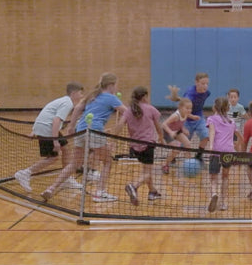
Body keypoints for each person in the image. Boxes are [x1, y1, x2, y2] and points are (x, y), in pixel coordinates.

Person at [43, 72, 128, 203]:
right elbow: (126, 113)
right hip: (95, 130)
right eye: (116, 85)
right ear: (111, 85)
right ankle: (100, 193)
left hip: (81, 129)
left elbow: (77, 108)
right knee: (107, 162)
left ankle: (51, 188)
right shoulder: (111, 98)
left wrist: (71, 126)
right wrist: (118, 128)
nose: (116, 88)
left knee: (74, 163)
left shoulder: (92, 96)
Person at [14, 82, 84, 191]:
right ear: (74, 93)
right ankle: (25, 173)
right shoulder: (68, 103)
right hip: (48, 129)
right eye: (80, 93)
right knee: (53, 157)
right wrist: (55, 141)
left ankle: (66, 179)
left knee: (65, 149)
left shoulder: (63, 100)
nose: (81, 96)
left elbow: (45, 113)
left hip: (45, 127)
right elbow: (56, 120)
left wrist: (34, 130)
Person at [121, 86, 163, 205]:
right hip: (148, 144)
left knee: (146, 169)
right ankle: (133, 186)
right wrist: (161, 137)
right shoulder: (150, 109)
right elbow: (158, 126)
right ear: (144, 96)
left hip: (135, 146)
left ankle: (152, 192)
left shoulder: (129, 110)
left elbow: (120, 123)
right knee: (148, 172)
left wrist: (114, 138)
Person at [203, 96, 240, 212]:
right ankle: (224, 203)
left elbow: (212, 133)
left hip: (216, 151)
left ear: (214, 107)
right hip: (228, 152)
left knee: (213, 177)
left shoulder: (211, 119)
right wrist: (238, 147)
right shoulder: (232, 122)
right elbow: (240, 137)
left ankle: (214, 193)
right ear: (228, 108)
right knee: (225, 177)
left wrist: (211, 148)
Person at [167, 72, 212, 156]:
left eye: (207, 84)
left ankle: (199, 156)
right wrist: (192, 116)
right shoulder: (190, 94)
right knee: (184, 144)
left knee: (206, 136)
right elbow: (182, 110)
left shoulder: (207, 93)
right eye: (203, 83)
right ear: (196, 82)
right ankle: (172, 158)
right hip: (186, 120)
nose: (205, 86)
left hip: (199, 118)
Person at [159, 97, 194, 174]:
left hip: (177, 131)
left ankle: (188, 165)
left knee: (188, 144)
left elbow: (180, 124)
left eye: (190, 108)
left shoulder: (186, 114)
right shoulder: (175, 116)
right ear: (180, 108)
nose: (189, 110)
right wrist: (171, 132)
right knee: (176, 149)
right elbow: (163, 124)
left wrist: (183, 129)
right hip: (167, 132)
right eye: (187, 108)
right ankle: (165, 165)